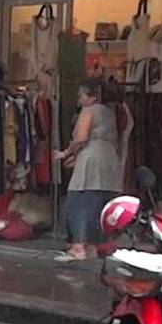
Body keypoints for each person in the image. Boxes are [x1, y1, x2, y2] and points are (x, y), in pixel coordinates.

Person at [54, 80, 122, 262]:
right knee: (99, 203)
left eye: (82, 95)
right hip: (109, 158)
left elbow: (81, 138)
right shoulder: (110, 112)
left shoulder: (89, 111)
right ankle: (93, 246)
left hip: (91, 158)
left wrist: (66, 153)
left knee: (79, 202)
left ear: (92, 97)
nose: (79, 99)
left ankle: (78, 247)